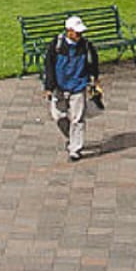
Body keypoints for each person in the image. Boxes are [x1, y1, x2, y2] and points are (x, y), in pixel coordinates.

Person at [41, 14, 99, 161]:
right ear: (69, 31)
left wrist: (94, 80)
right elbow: (49, 66)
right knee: (58, 116)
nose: (80, 35)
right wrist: (49, 87)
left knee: (77, 119)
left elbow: (93, 63)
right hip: (59, 87)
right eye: (77, 32)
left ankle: (75, 149)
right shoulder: (57, 45)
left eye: (81, 32)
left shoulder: (86, 46)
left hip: (78, 86)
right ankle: (71, 137)